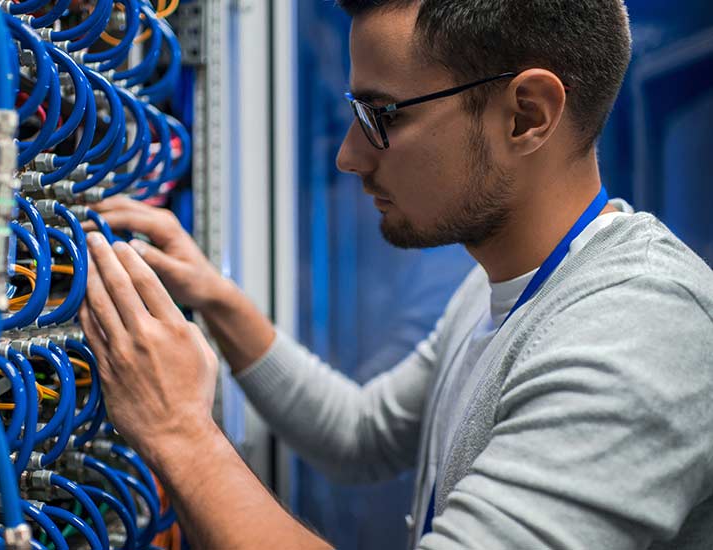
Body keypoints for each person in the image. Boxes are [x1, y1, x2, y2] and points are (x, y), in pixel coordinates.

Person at [78, 1, 713, 548]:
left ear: (527, 115)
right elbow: (363, 435)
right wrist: (215, 296)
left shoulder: (639, 334)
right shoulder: (506, 283)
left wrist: (179, 432)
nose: (348, 156)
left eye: (383, 116)